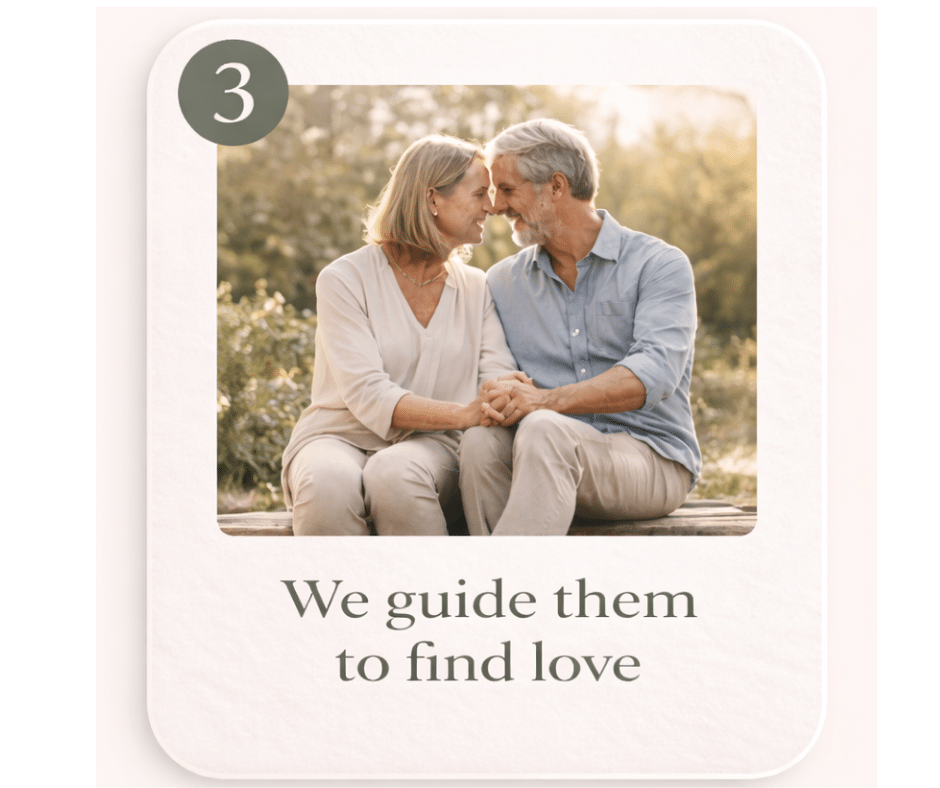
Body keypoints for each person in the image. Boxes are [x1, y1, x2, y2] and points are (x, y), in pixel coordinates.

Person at [459, 119, 701, 536]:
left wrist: (546, 402)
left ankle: (502, 583)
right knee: (482, 443)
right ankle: (519, 580)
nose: (496, 206)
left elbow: (655, 374)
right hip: (545, 458)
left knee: (543, 427)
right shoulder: (501, 281)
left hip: (651, 458)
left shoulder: (659, 265)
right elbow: (501, 376)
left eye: (508, 189)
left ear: (556, 186)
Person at [281, 135, 519, 536]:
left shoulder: (477, 288)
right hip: (337, 436)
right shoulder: (344, 280)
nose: (491, 207)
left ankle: (427, 594)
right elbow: (368, 393)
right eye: (480, 193)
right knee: (326, 485)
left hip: (435, 445)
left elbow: (496, 375)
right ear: (432, 199)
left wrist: (504, 393)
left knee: (395, 475)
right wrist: (463, 413)